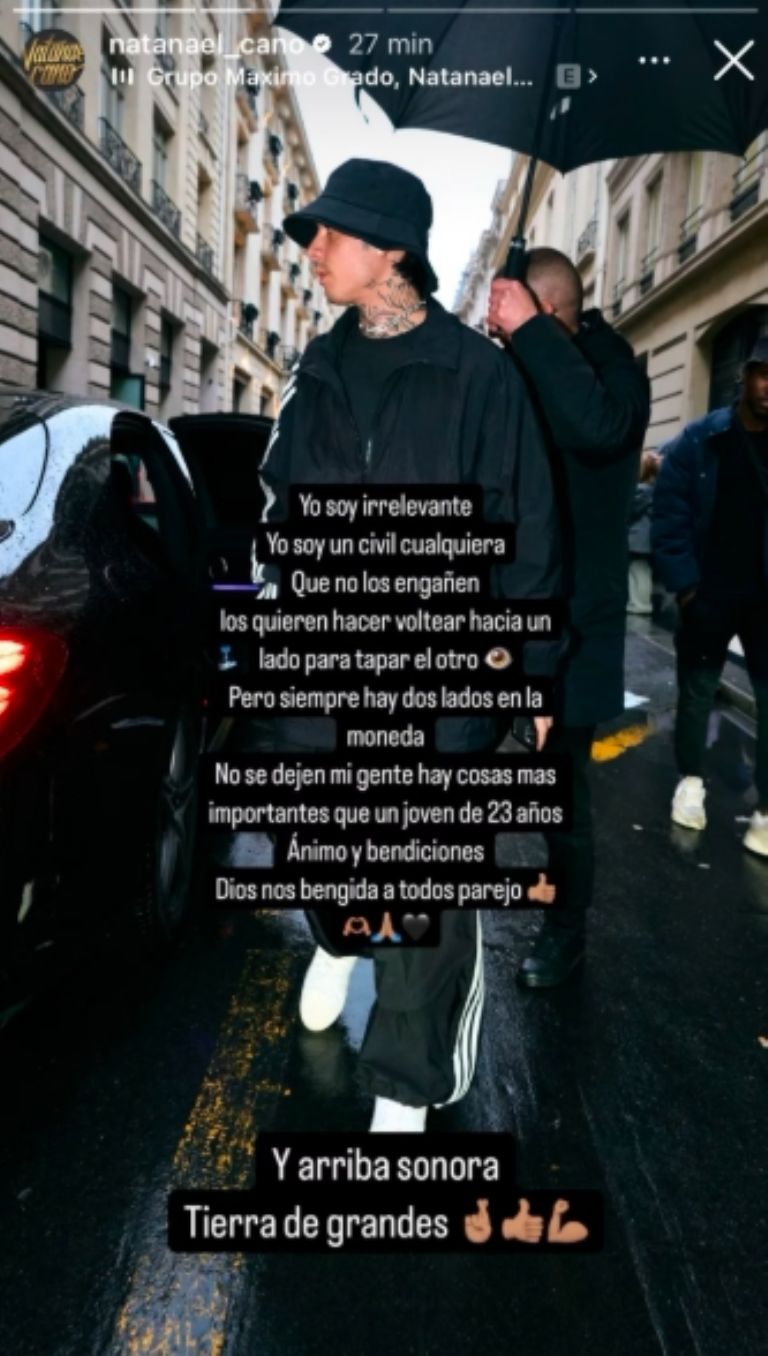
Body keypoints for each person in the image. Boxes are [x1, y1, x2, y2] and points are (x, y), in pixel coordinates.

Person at [253, 159, 561, 1131]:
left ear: (391, 250)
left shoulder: (480, 377)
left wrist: (533, 676)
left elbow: (529, 531)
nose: (312, 251)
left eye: (330, 233)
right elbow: (279, 508)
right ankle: (342, 934)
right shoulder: (316, 370)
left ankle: (405, 1079)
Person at [487, 248, 651, 988]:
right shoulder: (521, 367)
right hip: (505, 614)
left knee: (558, 792)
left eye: (514, 319)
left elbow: (597, 428)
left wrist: (527, 332)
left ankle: (565, 931)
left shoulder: (616, 370)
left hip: (576, 624)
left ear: (547, 311)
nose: (502, 332)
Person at [651, 336, 768, 855]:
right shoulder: (702, 438)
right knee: (697, 693)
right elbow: (670, 512)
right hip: (709, 594)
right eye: (765, 374)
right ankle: (691, 781)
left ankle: (765, 811)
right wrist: (686, 588)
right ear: (745, 375)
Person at [627, 451, 661, 615]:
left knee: (638, 571)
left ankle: (640, 604)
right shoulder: (655, 489)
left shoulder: (642, 490)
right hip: (645, 538)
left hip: (638, 538)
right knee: (640, 571)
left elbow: (630, 511)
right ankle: (638, 602)